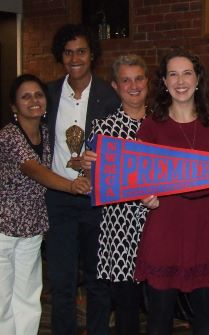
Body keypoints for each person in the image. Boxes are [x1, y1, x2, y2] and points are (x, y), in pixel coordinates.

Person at [133, 47, 209, 335]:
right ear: (163, 81)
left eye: (187, 73)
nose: (180, 80)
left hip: (204, 227)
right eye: (173, 74)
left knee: (206, 320)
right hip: (165, 227)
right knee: (159, 319)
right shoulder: (151, 127)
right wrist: (143, 196)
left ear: (198, 79)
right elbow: (136, 177)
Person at [0, 74, 90, 335]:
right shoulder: (8, 136)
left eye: (38, 95)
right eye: (25, 97)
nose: (34, 100)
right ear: (14, 107)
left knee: (29, 298)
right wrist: (72, 186)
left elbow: (65, 160)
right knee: (3, 300)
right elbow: (35, 170)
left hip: (32, 230)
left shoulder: (48, 134)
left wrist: (84, 167)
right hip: (4, 231)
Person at [45, 24, 120, 335]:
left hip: (95, 200)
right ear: (61, 56)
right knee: (61, 283)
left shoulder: (109, 96)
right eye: (68, 52)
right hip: (59, 199)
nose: (74, 58)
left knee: (98, 282)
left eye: (81, 51)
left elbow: (120, 150)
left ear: (92, 55)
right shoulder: (47, 94)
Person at [82, 54, 150, 335]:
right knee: (126, 310)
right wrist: (87, 169)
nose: (133, 86)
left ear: (147, 82)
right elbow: (91, 182)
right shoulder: (103, 129)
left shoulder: (163, 125)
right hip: (120, 230)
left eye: (139, 78)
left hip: (158, 226)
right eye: (126, 80)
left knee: (160, 306)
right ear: (115, 86)